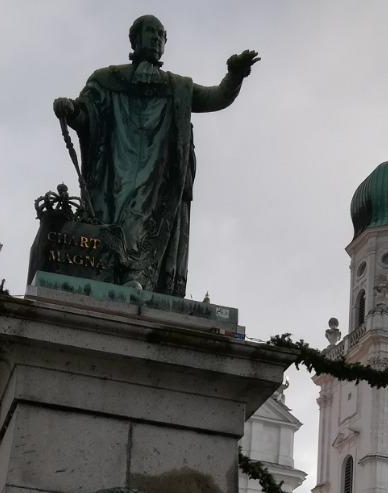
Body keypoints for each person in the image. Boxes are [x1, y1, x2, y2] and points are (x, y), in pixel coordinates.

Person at [53, 16, 259, 296]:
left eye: (162, 35)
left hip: (157, 176)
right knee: (111, 220)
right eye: (150, 32)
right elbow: (87, 114)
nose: (157, 39)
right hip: (114, 169)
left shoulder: (178, 87)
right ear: (134, 39)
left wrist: (234, 76)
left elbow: (216, 97)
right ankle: (109, 273)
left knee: (142, 222)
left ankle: (135, 278)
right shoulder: (106, 79)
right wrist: (72, 110)